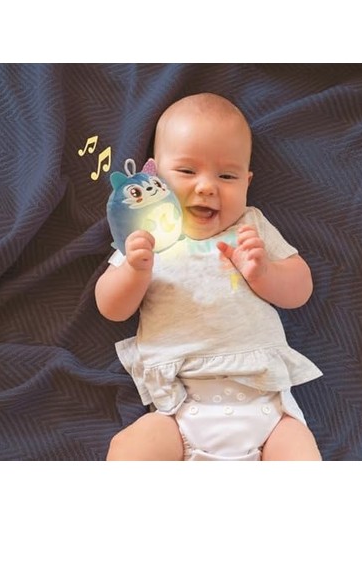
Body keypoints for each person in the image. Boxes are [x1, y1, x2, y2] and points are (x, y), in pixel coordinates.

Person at [95, 92, 323, 461]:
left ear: (247, 181)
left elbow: (301, 289)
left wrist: (264, 272)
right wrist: (135, 271)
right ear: (155, 175)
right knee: (129, 448)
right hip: (178, 411)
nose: (206, 186)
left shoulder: (251, 227)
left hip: (268, 413)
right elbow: (110, 307)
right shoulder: (146, 236)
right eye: (187, 172)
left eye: (227, 176)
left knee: (299, 450)